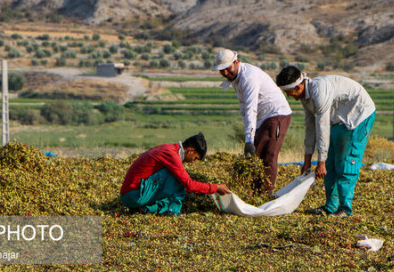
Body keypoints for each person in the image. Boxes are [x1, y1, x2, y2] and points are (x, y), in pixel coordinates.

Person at [276, 65, 376, 217]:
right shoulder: (305, 97)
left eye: (288, 92)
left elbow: (322, 127)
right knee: (330, 165)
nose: (289, 96)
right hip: (338, 120)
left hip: (357, 117)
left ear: (298, 87)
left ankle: (345, 208)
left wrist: (320, 162)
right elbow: (310, 128)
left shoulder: (319, 91)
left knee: (347, 162)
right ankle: (330, 207)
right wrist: (307, 161)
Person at [213, 49, 292, 194]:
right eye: (221, 71)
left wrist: (249, 139)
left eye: (227, 69)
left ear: (236, 62)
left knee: (268, 156)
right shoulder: (236, 78)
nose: (225, 73)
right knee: (255, 156)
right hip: (263, 118)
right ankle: (254, 192)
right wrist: (250, 136)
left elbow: (250, 108)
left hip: (276, 114)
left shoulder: (248, 77)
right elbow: (243, 108)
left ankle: (263, 195)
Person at [120, 133, 230, 215]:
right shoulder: (171, 155)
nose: (193, 162)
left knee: (178, 176)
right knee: (178, 178)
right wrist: (216, 187)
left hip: (132, 194)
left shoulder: (168, 148)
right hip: (134, 194)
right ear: (190, 150)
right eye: (195, 158)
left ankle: (145, 209)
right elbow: (189, 185)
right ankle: (172, 210)